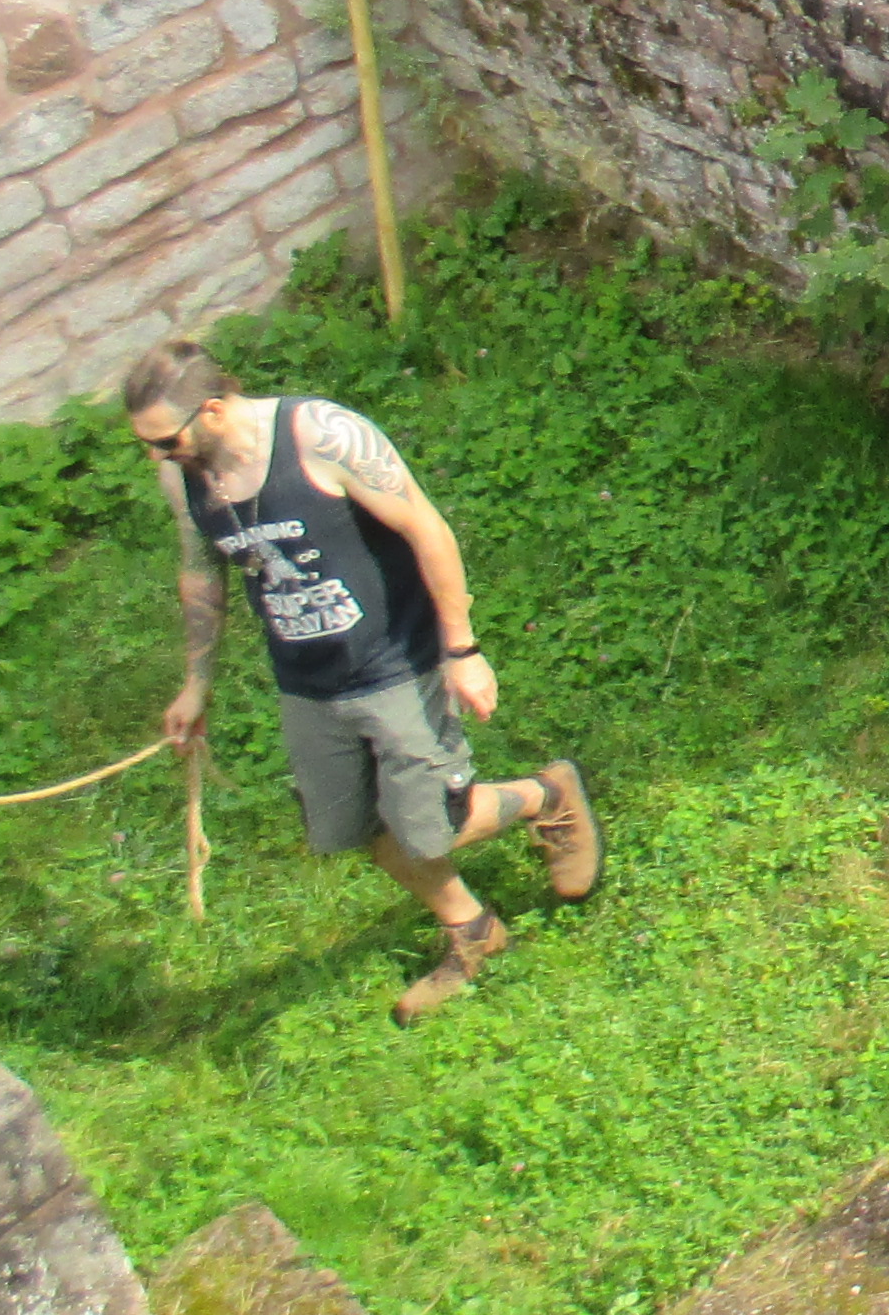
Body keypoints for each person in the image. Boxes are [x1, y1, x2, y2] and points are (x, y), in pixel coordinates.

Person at [120, 338, 599, 1022]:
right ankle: (473, 929)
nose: (158, 456)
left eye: (165, 440)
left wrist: (462, 649)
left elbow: (426, 527)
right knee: (358, 827)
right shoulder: (184, 476)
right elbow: (201, 571)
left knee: (430, 829)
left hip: (396, 660)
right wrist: (197, 684)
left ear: (215, 410)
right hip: (307, 682)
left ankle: (546, 795)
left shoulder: (319, 435)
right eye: (147, 444)